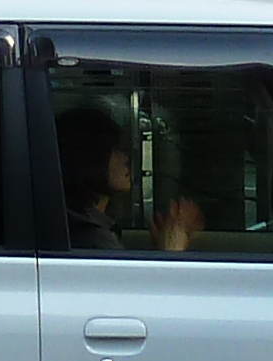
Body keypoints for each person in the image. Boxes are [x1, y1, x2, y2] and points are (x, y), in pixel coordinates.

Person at [56, 102, 201, 252]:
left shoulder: (82, 228)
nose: (125, 158)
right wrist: (171, 249)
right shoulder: (93, 239)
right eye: (114, 150)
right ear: (90, 159)